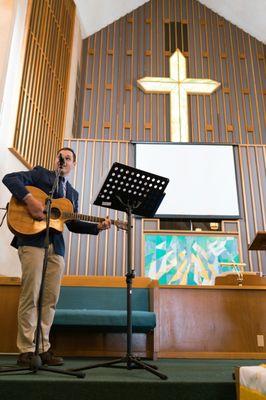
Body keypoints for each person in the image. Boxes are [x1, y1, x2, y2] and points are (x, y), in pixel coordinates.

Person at [2, 147, 111, 367]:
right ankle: (25, 350)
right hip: (32, 242)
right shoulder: (40, 174)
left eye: (69, 158)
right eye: (61, 157)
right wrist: (30, 200)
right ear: (56, 160)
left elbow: (72, 223)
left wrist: (98, 228)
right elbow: (9, 178)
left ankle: (42, 349)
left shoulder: (72, 194)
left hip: (57, 248)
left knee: (49, 300)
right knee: (30, 295)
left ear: (74, 164)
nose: (64, 160)